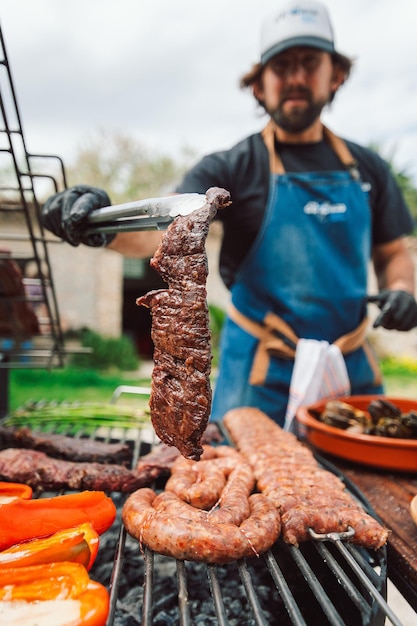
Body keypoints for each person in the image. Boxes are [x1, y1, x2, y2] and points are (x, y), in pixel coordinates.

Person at [41, 0, 417, 427]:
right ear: (259, 85)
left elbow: (392, 252)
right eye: (281, 66)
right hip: (259, 374)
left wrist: (403, 288)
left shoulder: (368, 169)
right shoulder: (232, 167)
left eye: (309, 63)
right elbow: (164, 232)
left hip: (349, 365)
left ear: (337, 75)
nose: (295, 77)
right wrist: (98, 224)